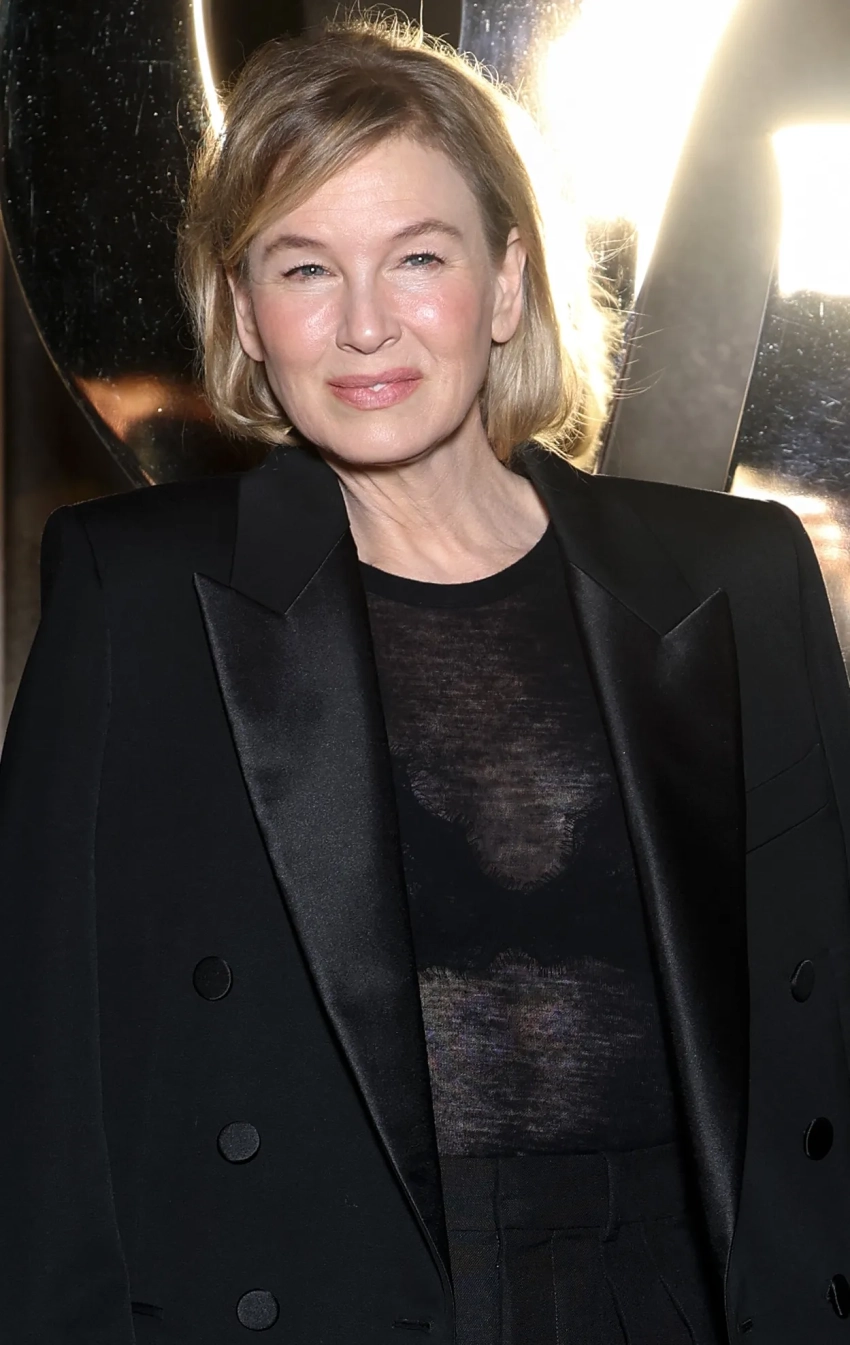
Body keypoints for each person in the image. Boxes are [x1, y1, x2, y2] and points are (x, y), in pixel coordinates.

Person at [2, 15, 850, 1345]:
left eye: (417, 257)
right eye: (303, 267)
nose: (363, 325)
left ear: (505, 285)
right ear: (244, 314)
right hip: (321, 1304)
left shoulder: (733, 577)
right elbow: (43, 1068)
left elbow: (824, 1022)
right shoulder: (137, 591)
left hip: (680, 1300)